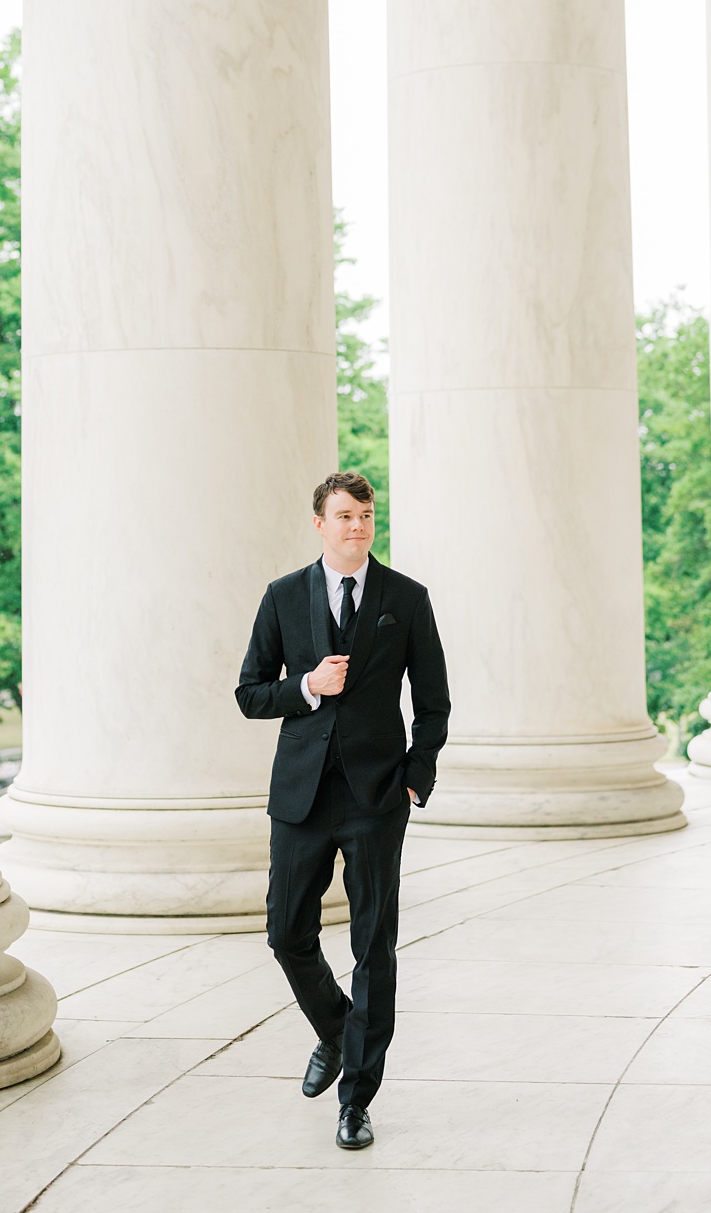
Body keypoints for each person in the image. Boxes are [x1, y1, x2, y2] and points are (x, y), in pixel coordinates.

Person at [233, 470, 449, 1151]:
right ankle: (335, 1030)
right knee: (285, 933)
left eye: (366, 515)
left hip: (378, 797)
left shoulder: (406, 598)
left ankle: (356, 1101)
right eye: (344, 515)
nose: (357, 525)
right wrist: (308, 686)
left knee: (372, 948)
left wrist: (417, 777)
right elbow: (249, 692)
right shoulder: (282, 597)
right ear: (319, 524)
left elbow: (434, 698)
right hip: (301, 795)